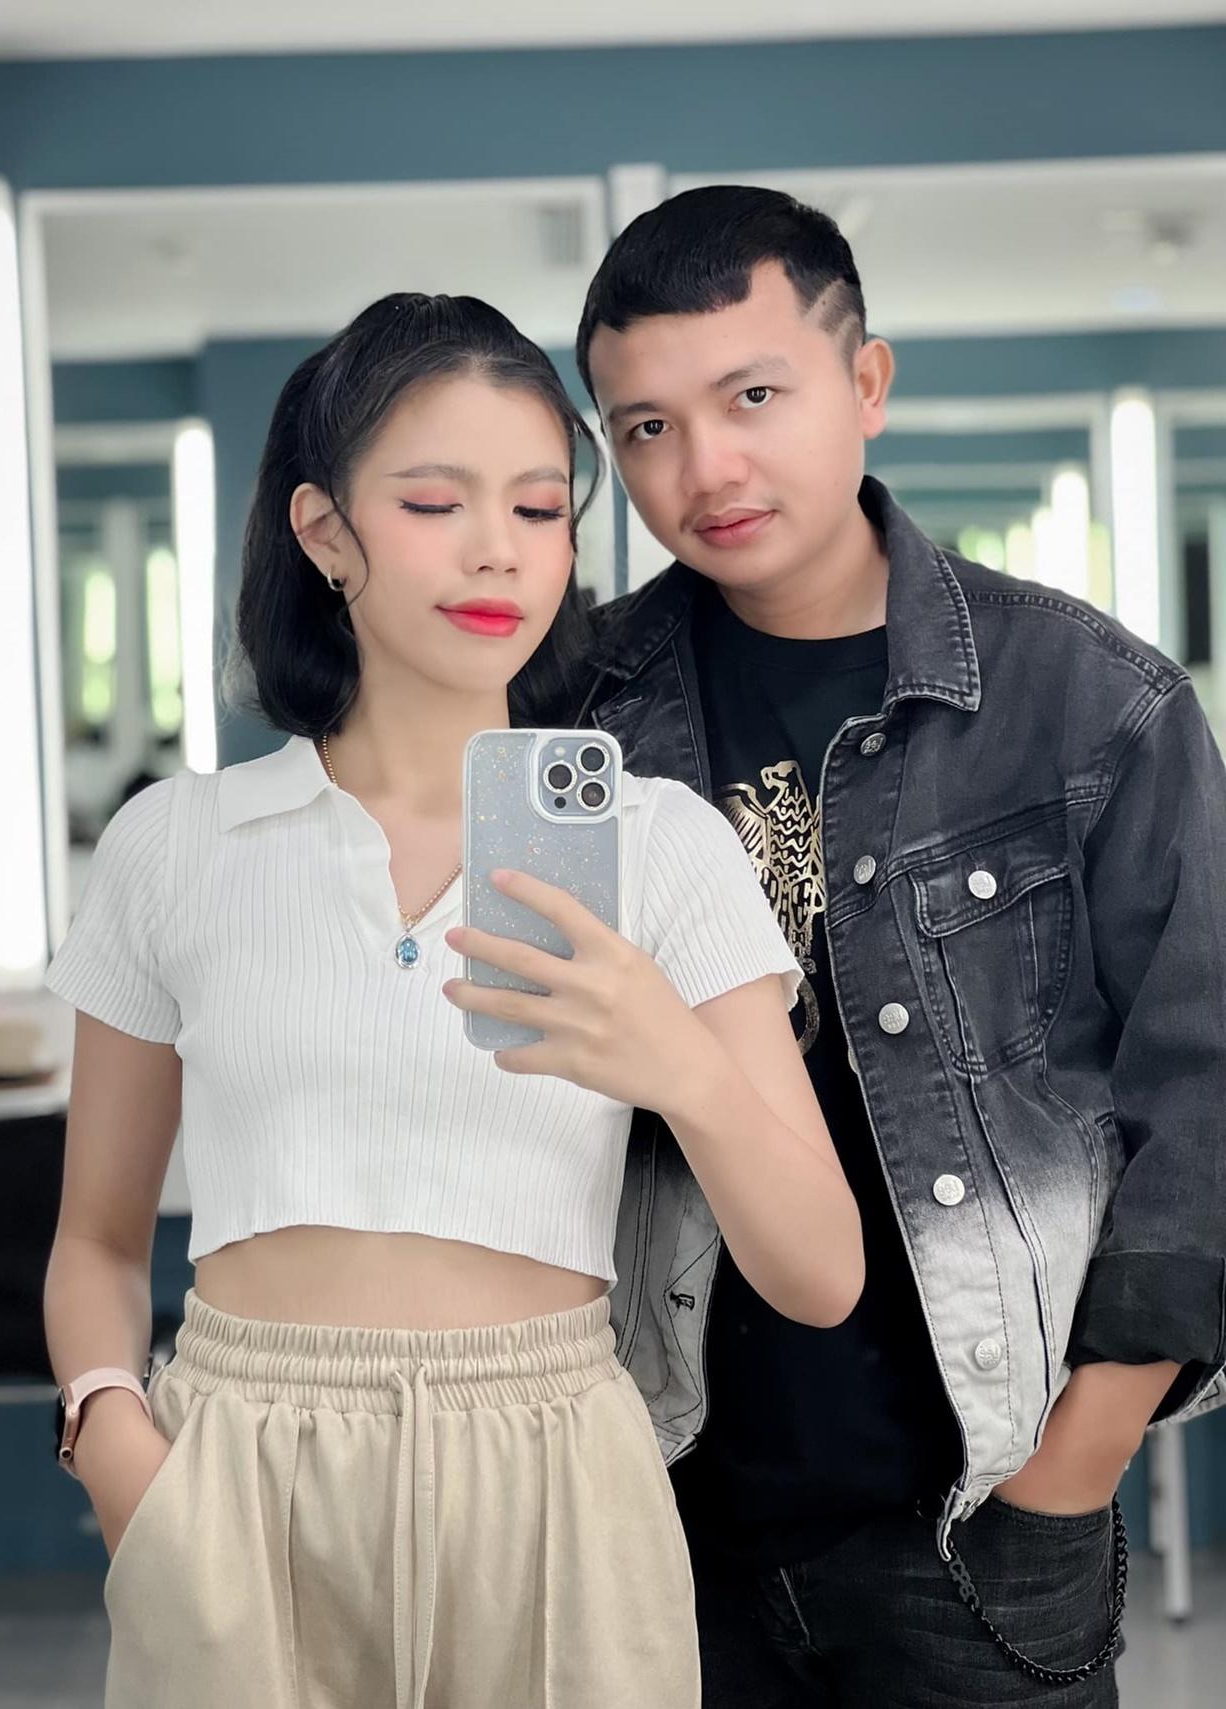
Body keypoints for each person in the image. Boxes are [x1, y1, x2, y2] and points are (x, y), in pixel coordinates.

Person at [42, 291, 863, 1709]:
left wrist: (677, 1063)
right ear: (324, 531)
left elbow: (821, 1272)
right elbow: (97, 1240)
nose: (500, 549)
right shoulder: (176, 845)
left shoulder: (658, 843)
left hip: (556, 1468)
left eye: (541, 508)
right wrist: (115, 1441)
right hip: (238, 1466)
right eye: (435, 503)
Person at [568, 185, 1226, 1708]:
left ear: (865, 381)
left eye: (751, 397)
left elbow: (1205, 1096)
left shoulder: (1092, 703)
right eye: (645, 427)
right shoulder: (579, 711)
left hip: (980, 1518)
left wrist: (1075, 1467)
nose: (703, 468)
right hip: (659, 1516)